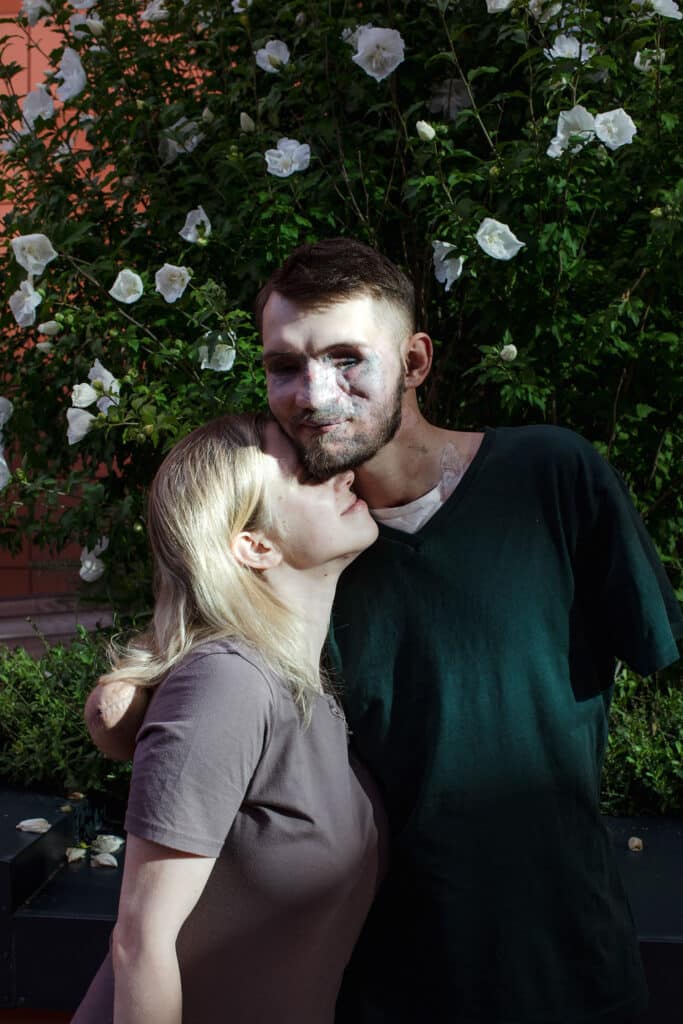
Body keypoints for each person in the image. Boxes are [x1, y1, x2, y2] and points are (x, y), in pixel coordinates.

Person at [88, 239, 683, 1024]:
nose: (314, 393)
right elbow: (190, 678)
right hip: (381, 981)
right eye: (284, 366)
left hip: (567, 960)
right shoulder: (306, 553)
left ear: (414, 361)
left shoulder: (549, 478)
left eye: (346, 359)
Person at [73, 411, 386, 1024]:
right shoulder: (227, 681)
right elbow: (141, 944)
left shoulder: (302, 691)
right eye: (307, 473)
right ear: (255, 544)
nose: (343, 475)